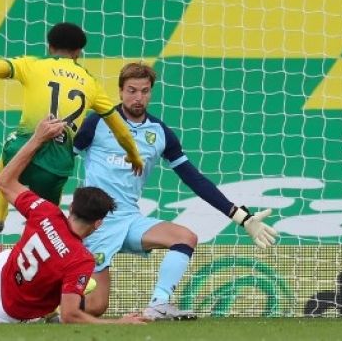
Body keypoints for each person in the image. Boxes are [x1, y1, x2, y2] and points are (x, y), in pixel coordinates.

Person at [72, 62, 279, 320]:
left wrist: (241, 217)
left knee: (185, 237)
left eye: (144, 91)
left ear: (151, 92)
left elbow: (193, 178)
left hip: (129, 218)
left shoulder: (159, 133)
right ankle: (46, 310)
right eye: (132, 90)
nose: (138, 98)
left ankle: (158, 304)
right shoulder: (97, 123)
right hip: (95, 224)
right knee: (94, 307)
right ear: (120, 91)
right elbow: (63, 161)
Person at [0, 117, 147, 324]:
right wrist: (119, 323)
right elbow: (72, 314)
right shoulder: (80, 259)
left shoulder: (46, 211)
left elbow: (5, 181)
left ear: (71, 207)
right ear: (98, 224)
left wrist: (38, 137)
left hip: (3, 265)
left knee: (61, 283)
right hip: (8, 306)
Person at [0, 22, 143, 233]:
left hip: (23, 153)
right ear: (79, 52)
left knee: (10, 146)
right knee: (48, 223)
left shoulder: (33, 65)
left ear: (50, 47)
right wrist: (134, 156)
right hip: (57, 166)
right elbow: (121, 130)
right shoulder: (91, 83)